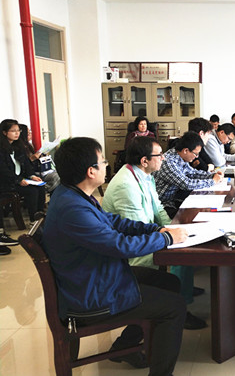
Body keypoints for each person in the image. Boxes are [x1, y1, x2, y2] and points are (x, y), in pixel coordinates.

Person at [43, 137, 188, 374]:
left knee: (169, 282)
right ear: (91, 171)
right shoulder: (73, 209)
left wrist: (155, 230)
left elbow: (114, 222)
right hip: (91, 293)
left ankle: (126, 346)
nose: (106, 165)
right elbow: (120, 246)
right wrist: (167, 239)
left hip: (94, 276)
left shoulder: (73, 194)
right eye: (102, 161)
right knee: (175, 306)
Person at [102, 137, 207, 330]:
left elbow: (157, 208)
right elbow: (136, 229)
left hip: (145, 235)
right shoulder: (126, 185)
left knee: (183, 242)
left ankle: (183, 297)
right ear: (144, 160)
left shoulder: (144, 174)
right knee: (180, 256)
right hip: (130, 251)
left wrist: (171, 228)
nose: (163, 158)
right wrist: (167, 237)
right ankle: (179, 309)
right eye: (159, 155)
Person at [155, 132, 223, 216]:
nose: (197, 157)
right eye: (195, 154)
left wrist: (212, 175)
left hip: (174, 198)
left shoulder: (179, 157)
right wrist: (213, 181)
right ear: (186, 151)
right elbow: (186, 184)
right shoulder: (168, 162)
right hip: (163, 204)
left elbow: (193, 173)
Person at [0, 119, 45, 223]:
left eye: (18, 130)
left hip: (20, 179)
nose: (17, 133)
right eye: (13, 131)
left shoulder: (18, 146)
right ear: (4, 132)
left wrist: (32, 176)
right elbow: (3, 170)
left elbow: (27, 164)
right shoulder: (1, 149)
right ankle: (33, 220)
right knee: (32, 191)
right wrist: (18, 180)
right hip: (7, 182)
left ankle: (40, 216)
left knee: (41, 186)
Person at [19, 124, 60, 193]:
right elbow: (24, 165)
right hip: (33, 172)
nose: (31, 134)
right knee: (56, 177)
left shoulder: (29, 145)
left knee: (59, 174)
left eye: (30, 132)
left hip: (38, 170)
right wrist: (32, 158)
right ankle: (47, 189)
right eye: (28, 133)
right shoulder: (20, 148)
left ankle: (50, 191)